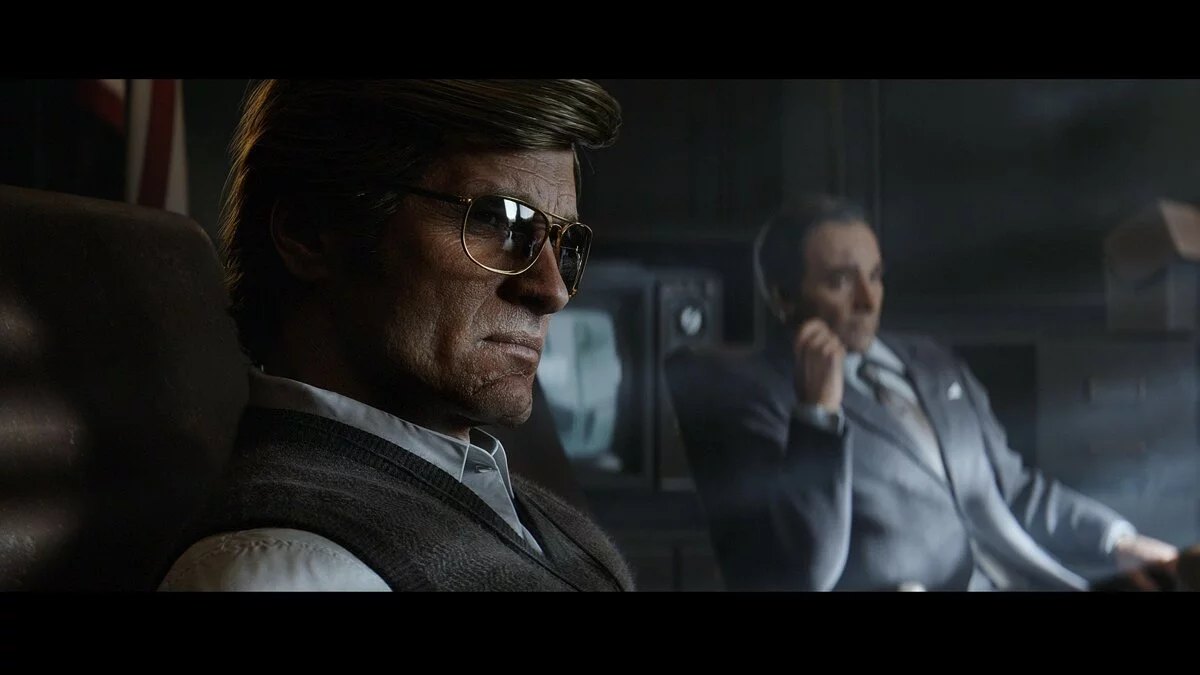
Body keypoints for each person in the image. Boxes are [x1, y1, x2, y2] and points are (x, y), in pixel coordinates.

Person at [158, 79, 635, 591]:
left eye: (564, 241)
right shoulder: (290, 572)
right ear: (308, 232)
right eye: (498, 220)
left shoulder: (534, 513)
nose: (553, 290)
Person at [664, 194, 1179, 591]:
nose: (868, 300)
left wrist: (1117, 540)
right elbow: (803, 573)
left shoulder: (930, 359)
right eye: (841, 281)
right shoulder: (750, 393)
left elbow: (1014, 487)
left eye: (875, 276)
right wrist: (818, 413)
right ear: (783, 297)